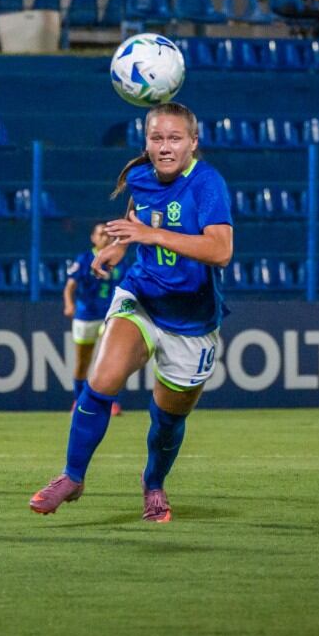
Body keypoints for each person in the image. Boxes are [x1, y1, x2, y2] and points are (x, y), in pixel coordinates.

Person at [30, 102, 233, 523]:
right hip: (141, 296)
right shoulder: (140, 176)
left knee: (167, 419)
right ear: (146, 142)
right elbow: (138, 214)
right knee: (101, 379)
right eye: (157, 138)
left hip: (192, 320)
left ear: (194, 143)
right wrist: (120, 245)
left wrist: (150, 234)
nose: (165, 147)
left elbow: (221, 250)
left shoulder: (208, 184)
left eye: (175, 138)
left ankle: (153, 483)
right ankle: (72, 475)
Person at [63, 222, 126, 416]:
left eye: (108, 234)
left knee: (110, 360)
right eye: (101, 234)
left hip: (109, 315)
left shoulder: (118, 258)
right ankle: (79, 400)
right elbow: (70, 286)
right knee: (83, 362)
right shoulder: (84, 259)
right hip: (86, 315)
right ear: (93, 238)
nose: (105, 237)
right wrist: (69, 304)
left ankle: (111, 403)